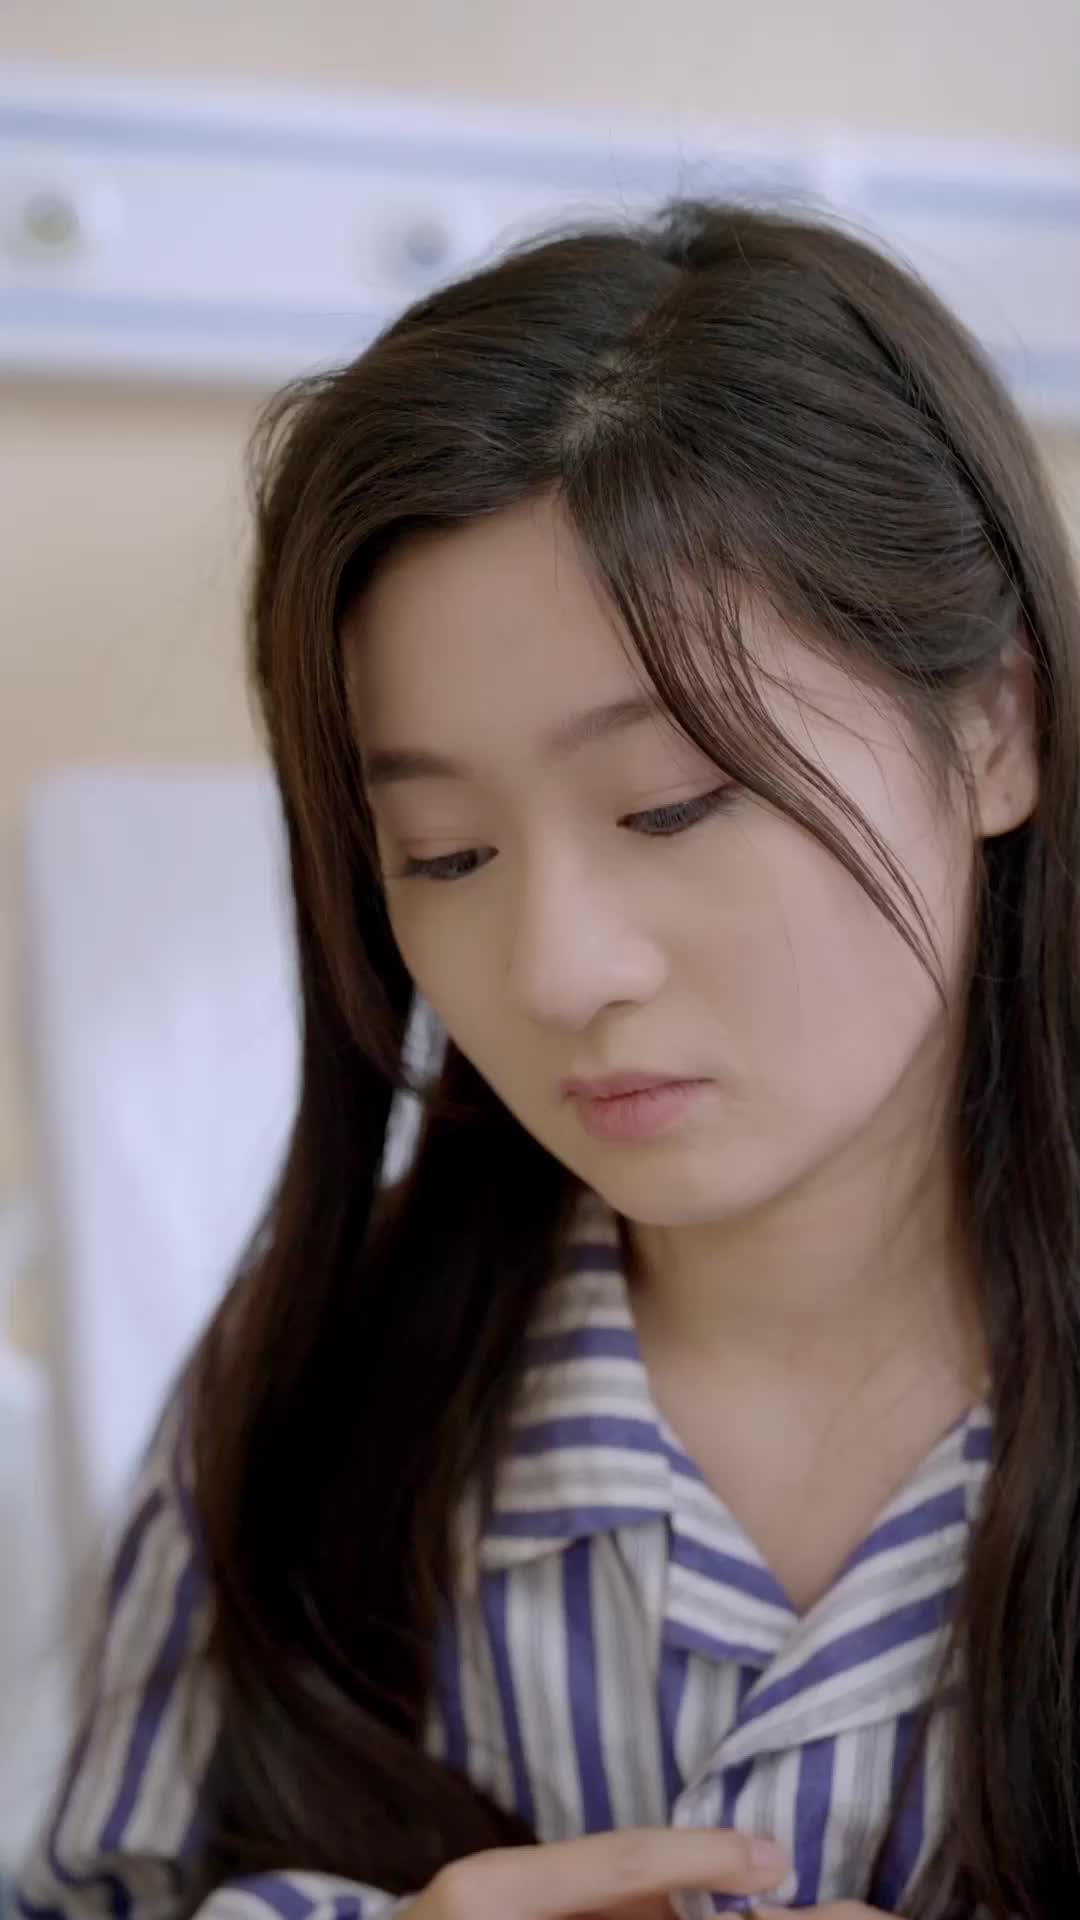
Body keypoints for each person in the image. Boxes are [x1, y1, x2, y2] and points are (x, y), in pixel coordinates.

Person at [14, 199, 1080, 1920]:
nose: (555, 970)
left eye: (673, 805)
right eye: (441, 855)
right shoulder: (327, 1395)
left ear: (996, 727)